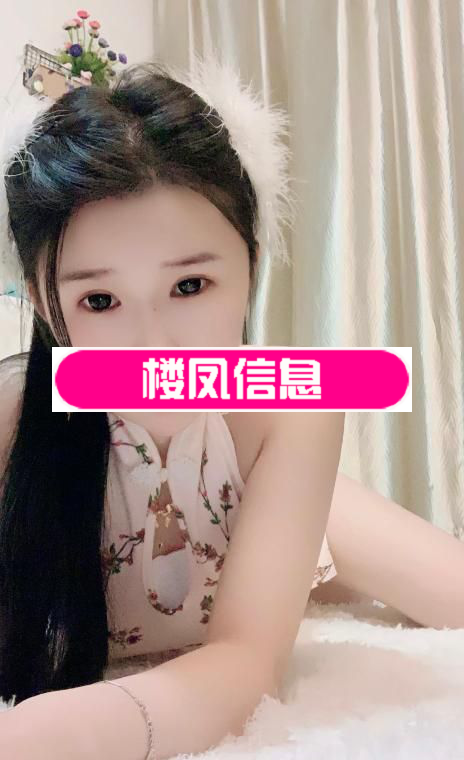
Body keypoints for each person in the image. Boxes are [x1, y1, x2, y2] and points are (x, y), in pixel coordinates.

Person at [0, 57, 462, 760]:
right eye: (100, 300)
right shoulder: (15, 420)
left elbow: (247, 662)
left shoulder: (293, 410)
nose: (156, 346)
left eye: (190, 286)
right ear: (43, 299)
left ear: (252, 261)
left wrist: (38, 737)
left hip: (269, 485)